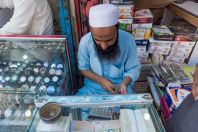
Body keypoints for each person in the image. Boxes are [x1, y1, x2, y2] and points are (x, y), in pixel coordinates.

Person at [77, 4, 140, 96]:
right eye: (97, 40)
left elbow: (133, 68)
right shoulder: (85, 42)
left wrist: (124, 83)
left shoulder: (128, 40)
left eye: (109, 40)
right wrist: (102, 81)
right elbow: (83, 68)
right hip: (92, 89)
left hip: (120, 89)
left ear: (117, 28)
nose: (104, 46)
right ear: (91, 30)